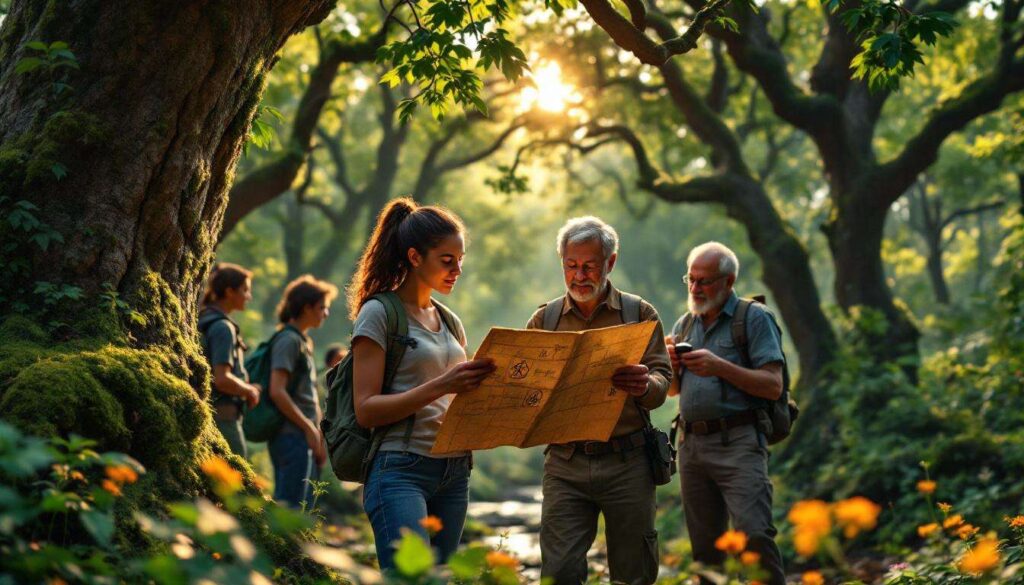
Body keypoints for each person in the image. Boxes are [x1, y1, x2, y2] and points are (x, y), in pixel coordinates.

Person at [349, 197, 495, 571]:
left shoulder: (450, 321)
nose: (457, 270)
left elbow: (456, 396)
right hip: (400, 468)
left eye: (460, 260)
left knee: (440, 577)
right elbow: (366, 410)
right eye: (447, 260)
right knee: (410, 577)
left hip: (455, 472)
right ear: (415, 257)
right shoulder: (378, 313)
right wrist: (443, 384)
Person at [526, 216, 672, 585]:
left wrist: (644, 384)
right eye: (571, 266)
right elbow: (524, 391)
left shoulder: (639, 314)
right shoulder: (545, 320)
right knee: (559, 572)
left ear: (611, 262)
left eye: (589, 266)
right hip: (565, 464)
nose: (579, 276)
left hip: (629, 463)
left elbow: (662, 381)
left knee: (634, 573)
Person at [665, 242, 786, 585]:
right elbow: (673, 390)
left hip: (739, 443)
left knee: (754, 536)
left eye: (704, 281)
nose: (695, 288)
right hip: (691, 446)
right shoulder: (684, 324)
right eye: (690, 279)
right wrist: (671, 367)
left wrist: (719, 366)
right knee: (706, 551)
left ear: (728, 281)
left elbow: (773, 385)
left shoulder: (754, 318)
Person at [268, 275, 337, 508]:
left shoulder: (303, 341)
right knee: (290, 507)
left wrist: (317, 435)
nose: (326, 313)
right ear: (307, 307)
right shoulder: (288, 341)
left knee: (303, 505)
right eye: (322, 307)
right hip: (290, 435)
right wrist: (308, 428)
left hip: (303, 436)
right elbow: (277, 390)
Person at [198, 263, 261, 458]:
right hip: (224, 421)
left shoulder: (205, 318)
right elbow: (222, 379)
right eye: (245, 290)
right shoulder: (223, 328)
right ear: (229, 292)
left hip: (212, 418)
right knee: (237, 474)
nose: (249, 296)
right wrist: (249, 391)